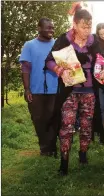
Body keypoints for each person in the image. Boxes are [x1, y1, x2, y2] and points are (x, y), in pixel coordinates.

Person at [45, 3, 104, 175]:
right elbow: (49, 60)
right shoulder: (64, 39)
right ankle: (64, 162)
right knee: (67, 126)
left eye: (89, 26)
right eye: (83, 26)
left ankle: (83, 153)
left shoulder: (94, 42)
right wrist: (60, 71)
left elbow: (102, 61)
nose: (87, 30)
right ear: (75, 24)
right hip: (69, 92)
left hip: (89, 92)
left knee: (87, 126)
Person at [19, 18, 58, 158]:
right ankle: (44, 148)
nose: (51, 31)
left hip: (55, 89)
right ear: (39, 28)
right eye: (48, 28)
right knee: (39, 119)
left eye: (52, 28)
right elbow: (25, 68)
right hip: (35, 90)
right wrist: (27, 89)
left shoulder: (57, 44)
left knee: (53, 118)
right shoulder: (29, 45)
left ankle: (53, 147)